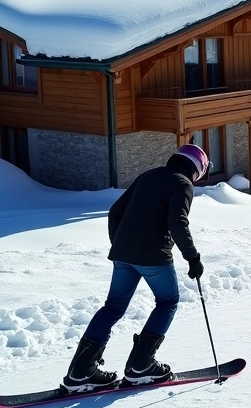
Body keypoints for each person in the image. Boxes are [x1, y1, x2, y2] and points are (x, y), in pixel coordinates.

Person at [61, 144, 208, 393]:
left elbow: (115, 212)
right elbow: (177, 222)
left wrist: (122, 245)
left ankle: (80, 371)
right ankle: (142, 365)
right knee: (168, 301)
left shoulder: (148, 175)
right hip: (154, 257)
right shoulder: (182, 184)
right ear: (196, 169)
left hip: (123, 255)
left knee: (113, 308)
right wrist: (192, 257)